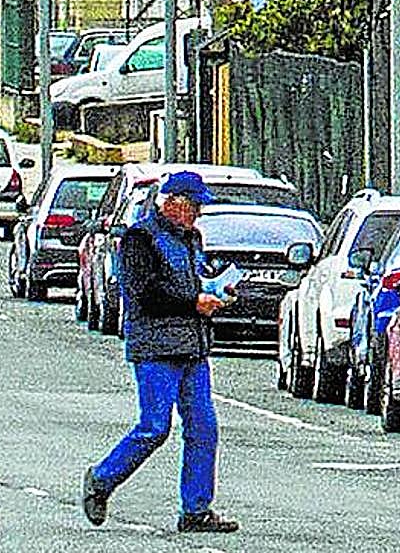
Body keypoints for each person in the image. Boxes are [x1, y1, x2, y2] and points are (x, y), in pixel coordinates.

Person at [82, 171, 239, 534]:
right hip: (155, 349)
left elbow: (197, 280)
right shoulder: (139, 239)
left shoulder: (191, 239)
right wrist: (194, 302)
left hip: (192, 348)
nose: (198, 213)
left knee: (204, 428)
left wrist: (218, 292)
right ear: (171, 202)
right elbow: (145, 294)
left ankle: (196, 511)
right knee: (154, 427)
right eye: (193, 205)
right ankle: (101, 481)